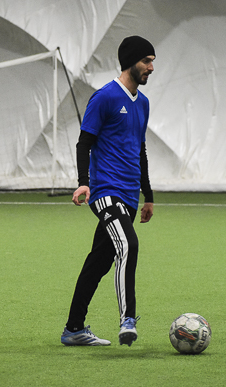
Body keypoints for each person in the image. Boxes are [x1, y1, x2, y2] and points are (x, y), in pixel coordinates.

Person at [61, 36, 156, 347]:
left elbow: (140, 151)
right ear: (130, 61)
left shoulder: (143, 103)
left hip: (129, 196)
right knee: (128, 244)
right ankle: (128, 319)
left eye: (152, 62)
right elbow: (84, 143)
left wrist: (148, 196)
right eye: (146, 61)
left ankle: (74, 329)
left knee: (98, 263)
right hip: (105, 191)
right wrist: (83, 181)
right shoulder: (104, 97)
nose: (151, 67)